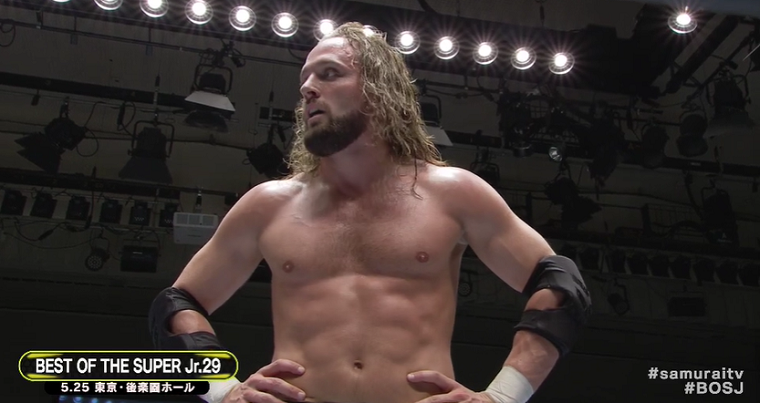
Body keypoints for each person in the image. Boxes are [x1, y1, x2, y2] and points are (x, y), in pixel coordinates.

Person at [148, 22, 591, 403]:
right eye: (305, 79)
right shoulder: (268, 204)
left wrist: (503, 395)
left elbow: (560, 286)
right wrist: (221, 388)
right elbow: (178, 302)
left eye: (329, 73)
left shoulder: (453, 194)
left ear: (379, 91)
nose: (307, 88)